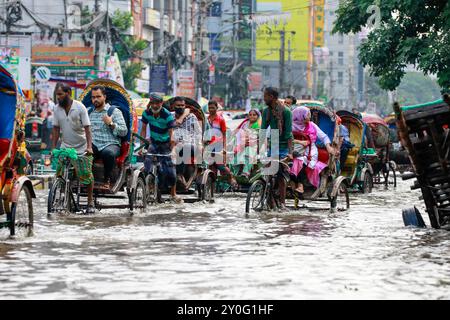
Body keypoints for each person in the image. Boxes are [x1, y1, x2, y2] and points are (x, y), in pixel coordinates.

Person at [52, 82, 95, 214]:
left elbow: (87, 129)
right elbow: (55, 129)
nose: (58, 97)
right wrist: (54, 148)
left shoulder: (80, 107)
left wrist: (89, 147)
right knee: (60, 173)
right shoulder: (56, 109)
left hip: (81, 147)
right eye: (56, 95)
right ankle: (61, 195)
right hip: (65, 146)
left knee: (86, 176)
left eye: (60, 94)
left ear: (68, 93)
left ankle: (89, 201)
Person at [140, 93, 182, 203]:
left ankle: (173, 194)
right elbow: (143, 130)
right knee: (147, 165)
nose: (154, 106)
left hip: (166, 144)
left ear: (161, 104)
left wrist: (172, 150)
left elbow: (172, 134)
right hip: (153, 143)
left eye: (157, 103)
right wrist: (141, 146)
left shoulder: (167, 115)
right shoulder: (146, 113)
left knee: (171, 172)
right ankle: (149, 189)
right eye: (152, 103)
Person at [89, 85, 128, 189]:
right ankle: (86, 179)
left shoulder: (114, 111)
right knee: (84, 152)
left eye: (98, 96)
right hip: (93, 144)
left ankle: (107, 179)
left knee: (108, 153)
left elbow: (124, 132)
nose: (95, 99)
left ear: (104, 97)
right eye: (93, 97)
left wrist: (111, 124)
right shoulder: (89, 112)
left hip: (111, 144)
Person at [261, 87, 293, 210]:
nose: (264, 98)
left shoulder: (286, 112)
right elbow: (263, 130)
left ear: (272, 97)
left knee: (280, 174)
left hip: (285, 144)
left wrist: (290, 153)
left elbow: (289, 134)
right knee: (267, 173)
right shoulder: (266, 111)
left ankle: (282, 203)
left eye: (266, 96)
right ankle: (270, 202)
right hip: (273, 143)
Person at [290, 106, 327, 195]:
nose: (309, 117)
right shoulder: (289, 126)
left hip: (310, 152)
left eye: (309, 114)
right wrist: (299, 141)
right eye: (308, 115)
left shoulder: (312, 126)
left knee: (299, 162)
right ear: (300, 116)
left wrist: (329, 146)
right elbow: (285, 138)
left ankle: (300, 185)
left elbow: (323, 137)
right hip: (293, 150)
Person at [204, 100, 238, 188]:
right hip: (208, 145)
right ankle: (212, 188)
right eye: (209, 107)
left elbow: (224, 135)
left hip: (218, 145)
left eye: (213, 107)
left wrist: (224, 148)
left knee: (220, 165)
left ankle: (231, 176)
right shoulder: (206, 119)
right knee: (211, 167)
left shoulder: (221, 120)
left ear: (216, 108)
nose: (211, 109)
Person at [171, 97, 203, 189]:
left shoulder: (192, 117)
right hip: (173, 144)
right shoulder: (169, 116)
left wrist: (200, 145)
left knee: (184, 147)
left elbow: (198, 133)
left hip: (190, 145)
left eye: (182, 105)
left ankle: (179, 175)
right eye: (178, 105)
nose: (180, 107)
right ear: (173, 106)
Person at [231, 108, 261, 178]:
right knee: (233, 159)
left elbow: (255, 136)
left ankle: (246, 172)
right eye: (250, 115)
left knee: (248, 152)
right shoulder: (245, 123)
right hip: (242, 144)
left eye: (254, 115)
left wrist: (247, 139)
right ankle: (234, 174)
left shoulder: (258, 125)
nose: (252, 116)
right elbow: (239, 134)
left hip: (252, 146)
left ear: (258, 116)